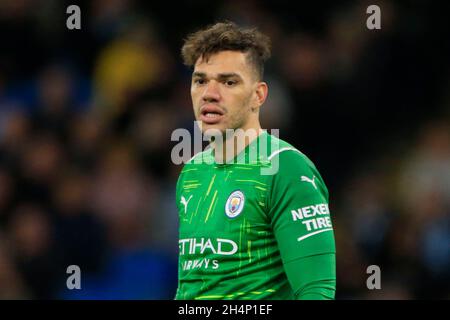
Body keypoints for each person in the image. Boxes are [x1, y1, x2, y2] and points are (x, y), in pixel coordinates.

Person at [175, 21, 336, 300]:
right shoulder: (191, 174)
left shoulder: (285, 168)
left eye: (228, 82)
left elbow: (316, 290)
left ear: (258, 95)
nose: (209, 93)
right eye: (200, 80)